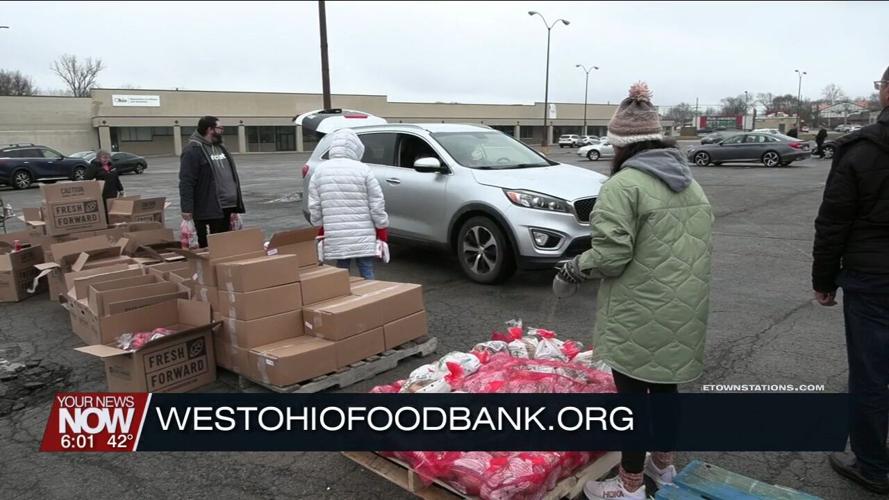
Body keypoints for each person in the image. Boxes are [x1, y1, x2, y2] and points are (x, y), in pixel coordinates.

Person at [554, 82, 713, 500]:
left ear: (621, 143)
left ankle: (629, 487)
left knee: (632, 404)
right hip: (684, 306)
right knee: (665, 393)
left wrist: (573, 267)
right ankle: (664, 468)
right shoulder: (689, 183)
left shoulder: (624, 186)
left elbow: (611, 255)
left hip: (640, 309)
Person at [814, 66, 889, 495]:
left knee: (870, 377)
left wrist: (824, 279)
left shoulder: (861, 149)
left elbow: (833, 223)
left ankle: (873, 466)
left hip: (873, 280)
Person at [308, 128, 388, 279]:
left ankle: (345, 298)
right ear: (357, 148)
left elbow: (314, 205)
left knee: (342, 269)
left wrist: (318, 225)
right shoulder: (364, 169)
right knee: (366, 267)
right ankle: (371, 298)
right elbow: (377, 202)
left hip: (335, 233)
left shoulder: (320, 171)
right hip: (363, 233)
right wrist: (381, 226)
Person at [179, 115, 245, 248]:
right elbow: (186, 181)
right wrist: (186, 208)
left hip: (227, 206)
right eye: (220, 128)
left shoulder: (221, 147)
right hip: (208, 208)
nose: (222, 131)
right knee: (209, 247)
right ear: (210, 129)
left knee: (224, 245)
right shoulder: (193, 150)